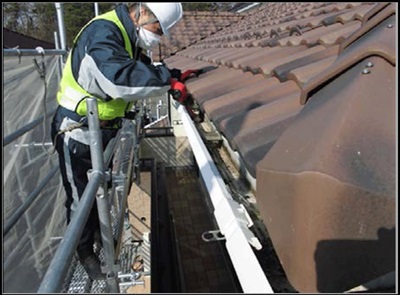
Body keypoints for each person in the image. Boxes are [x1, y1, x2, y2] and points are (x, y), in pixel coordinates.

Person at [51, 2, 187, 280]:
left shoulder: (127, 35)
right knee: (81, 198)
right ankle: (85, 253)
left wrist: (171, 76)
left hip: (102, 129)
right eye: (158, 29)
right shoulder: (103, 33)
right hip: (77, 131)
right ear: (143, 13)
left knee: (100, 187)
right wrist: (166, 82)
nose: (157, 37)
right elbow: (119, 80)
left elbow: (141, 67)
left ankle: (101, 240)